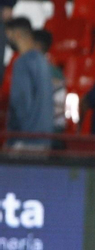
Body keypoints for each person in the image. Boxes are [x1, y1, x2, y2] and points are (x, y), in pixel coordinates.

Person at [3, 17, 51, 150]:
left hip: (24, 140)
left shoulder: (22, 63)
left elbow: (21, 103)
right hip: (43, 141)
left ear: (17, 34)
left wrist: (12, 140)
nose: (8, 40)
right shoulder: (43, 61)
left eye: (9, 35)